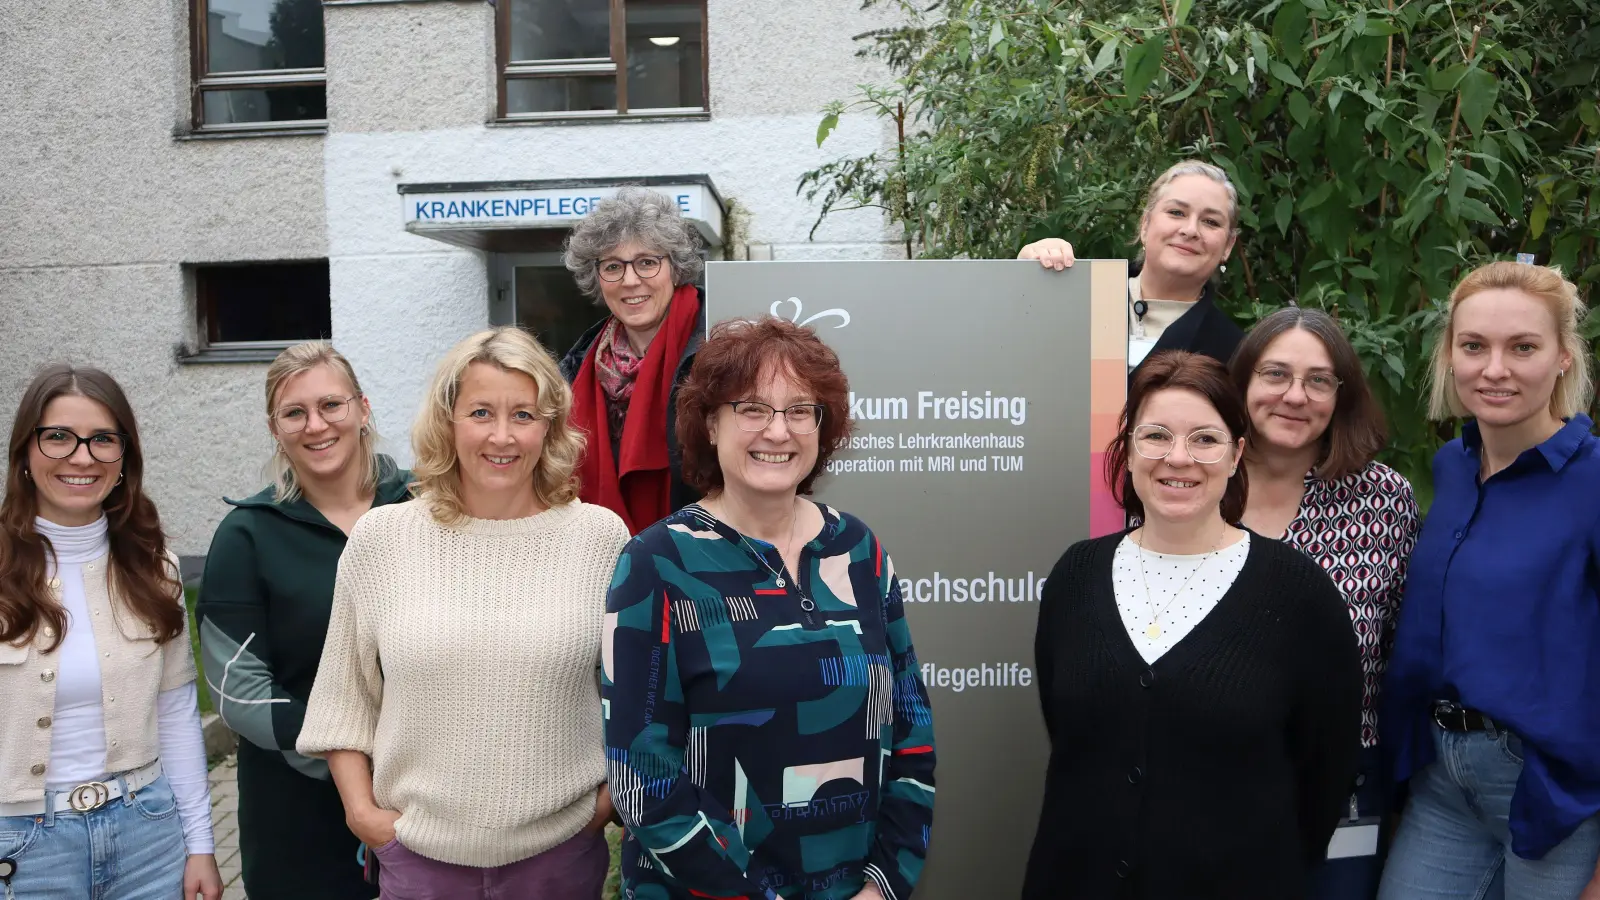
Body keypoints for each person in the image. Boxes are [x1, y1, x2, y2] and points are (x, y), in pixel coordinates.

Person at [603, 317, 937, 900]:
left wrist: (882, 887)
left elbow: (912, 733)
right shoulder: (656, 563)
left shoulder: (858, 549)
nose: (778, 431)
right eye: (753, 408)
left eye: (800, 410)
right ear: (710, 423)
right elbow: (642, 779)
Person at [296, 327, 631, 900]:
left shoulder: (599, 538)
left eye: (523, 414)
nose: (502, 436)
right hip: (419, 861)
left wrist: (603, 806)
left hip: (558, 858)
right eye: (480, 413)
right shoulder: (384, 539)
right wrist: (364, 816)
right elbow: (344, 696)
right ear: (447, 421)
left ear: (550, 425)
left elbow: (633, 699)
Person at [1024, 350, 1363, 899]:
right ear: (1128, 448)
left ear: (1236, 455)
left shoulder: (1299, 595)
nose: (1178, 458)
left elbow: (1325, 772)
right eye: (1156, 436)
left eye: (1205, 439)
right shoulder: (1075, 578)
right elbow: (1068, 734)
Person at [1380, 262, 1600, 899]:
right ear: (1450, 355)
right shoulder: (1454, 466)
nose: (1494, 369)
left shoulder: (1591, 481)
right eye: (1474, 346)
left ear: (1562, 356)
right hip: (1442, 779)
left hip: (1553, 790)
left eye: (1523, 347)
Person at [197, 342, 412, 899]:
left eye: (331, 405)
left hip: (428, 800)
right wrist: (354, 764)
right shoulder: (246, 535)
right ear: (276, 428)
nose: (316, 425)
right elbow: (238, 690)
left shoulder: (427, 507)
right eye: (295, 413)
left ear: (363, 409)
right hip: (296, 818)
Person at [0, 364, 222, 900]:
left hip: (148, 837)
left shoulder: (156, 569)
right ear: (25, 452)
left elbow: (176, 716)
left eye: (103, 439)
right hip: (22, 850)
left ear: (124, 459)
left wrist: (201, 844)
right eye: (58, 437)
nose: (82, 457)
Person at [1229, 308, 1421, 899]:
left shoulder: (1383, 500)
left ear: (1342, 394)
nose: (1295, 396)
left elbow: (1402, 647)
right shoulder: (1194, 484)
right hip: (1210, 767)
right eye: (1275, 374)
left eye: (1318, 380)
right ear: (1241, 382)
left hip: (1345, 779)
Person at [560, 186, 707, 532]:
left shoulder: (719, 349)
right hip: (602, 549)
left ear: (675, 268)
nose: (630, 280)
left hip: (700, 548)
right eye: (613, 266)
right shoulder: (574, 368)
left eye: (647, 263)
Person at [1018, 160, 1246, 372]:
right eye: (1176, 212)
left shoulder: (1234, 353)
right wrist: (1025, 284)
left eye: (1210, 222)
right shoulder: (1080, 298)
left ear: (1228, 245)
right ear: (1145, 225)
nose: (1190, 230)